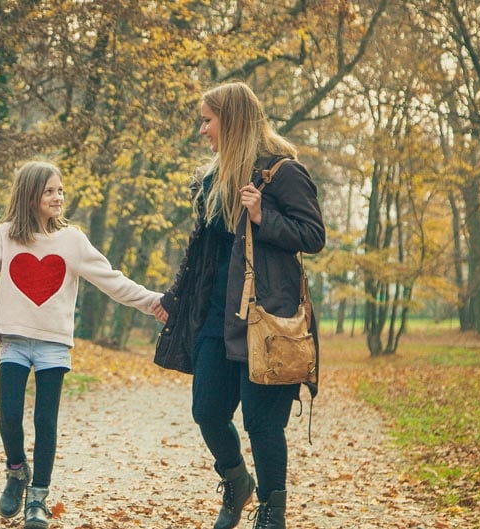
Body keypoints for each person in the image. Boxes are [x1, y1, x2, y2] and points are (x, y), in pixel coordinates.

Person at [0, 161, 161, 529]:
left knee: (46, 421)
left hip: (52, 345)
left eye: (60, 190)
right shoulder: (6, 235)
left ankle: (38, 498)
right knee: (9, 416)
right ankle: (16, 471)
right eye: (49, 191)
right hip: (14, 340)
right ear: (30, 196)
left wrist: (154, 302)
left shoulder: (72, 240)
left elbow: (112, 281)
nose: (58, 197)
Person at [152, 82, 325, 529]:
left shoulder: (282, 172)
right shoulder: (213, 177)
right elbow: (200, 250)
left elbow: (312, 236)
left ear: (232, 121)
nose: (203, 130)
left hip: (264, 320)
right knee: (207, 410)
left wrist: (263, 217)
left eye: (208, 120)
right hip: (216, 319)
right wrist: (175, 297)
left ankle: (272, 511)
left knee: (263, 424)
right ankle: (235, 482)